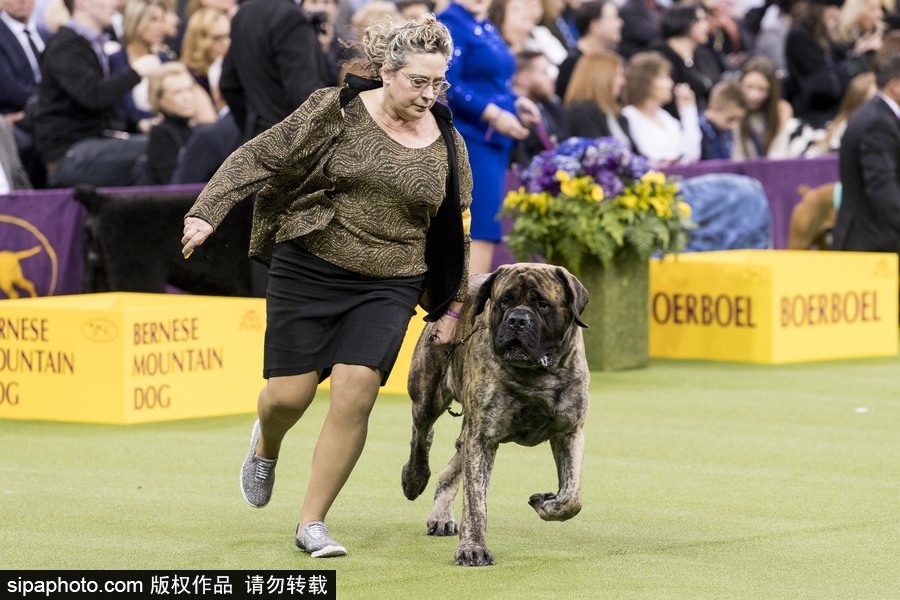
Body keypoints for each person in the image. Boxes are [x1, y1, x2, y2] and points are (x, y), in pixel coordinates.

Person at [179, 14, 473, 558]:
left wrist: (452, 308)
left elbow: (457, 229)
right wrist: (208, 212)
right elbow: (258, 155)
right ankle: (267, 443)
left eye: (440, 83)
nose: (430, 94)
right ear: (388, 72)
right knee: (289, 395)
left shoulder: (449, 142)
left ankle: (311, 523)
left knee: (356, 388)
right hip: (311, 264)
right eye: (419, 81)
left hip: (391, 279)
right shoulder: (333, 109)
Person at [439, 0, 540, 274]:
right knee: (479, 227)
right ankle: (463, 311)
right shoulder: (451, 22)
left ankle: (467, 310)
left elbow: (494, 83)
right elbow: (448, 81)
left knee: (485, 227)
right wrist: (493, 114)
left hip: (493, 143)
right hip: (472, 140)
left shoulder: (483, 25)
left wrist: (516, 102)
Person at [34, 0, 165, 187]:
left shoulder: (91, 43)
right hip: (68, 154)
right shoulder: (65, 46)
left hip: (93, 143)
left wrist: (139, 124)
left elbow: (103, 105)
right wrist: (136, 72)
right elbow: (93, 96)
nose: (114, 3)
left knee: (166, 138)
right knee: (161, 147)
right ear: (82, 3)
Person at [219, 0, 327, 141]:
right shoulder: (290, 16)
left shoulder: (243, 13)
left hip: (256, 140)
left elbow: (229, 83)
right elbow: (304, 94)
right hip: (291, 144)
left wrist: (252, 124)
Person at [831, 50, 900, 254]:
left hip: (875, 239)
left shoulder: (879, 115)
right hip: (871, 244)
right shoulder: (878, 123)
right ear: (896, 86)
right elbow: (881, 187)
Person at [784, 0, 880, 128]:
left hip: (829, 110)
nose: (837, 14)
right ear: (819, 8)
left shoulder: (824, 35)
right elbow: (827, 85)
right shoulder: (800, 35)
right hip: (813, 115)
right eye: (832, 7)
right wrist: (858, 58)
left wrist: (857, 54)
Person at [621, 50, 701, 165]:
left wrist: (688, 111)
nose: (671, 83)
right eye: (664, 77)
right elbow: (651, 157)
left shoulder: (665, 117)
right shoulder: (629, 116)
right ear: (645, 82)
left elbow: (692, 155)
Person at [562, 49, 636, 149]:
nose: (622, 82)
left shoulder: (617, 114)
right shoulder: (582, 112)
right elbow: (595, 155)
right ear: (600, 77)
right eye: (618, 75)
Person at [510, 49, 568, 167]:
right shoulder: (511, 114)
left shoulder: (553, 108)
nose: (552, 78)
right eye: (544, 73)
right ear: (523, 78)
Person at [554, 0, 623, 99]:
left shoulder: (613, 58)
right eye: (614, 18)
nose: (620, 23)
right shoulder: (573, 64)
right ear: (595, 26)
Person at [142, 61, 196, 183]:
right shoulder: (161, 135)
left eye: (189, 89)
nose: (187, 97)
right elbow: (171, 184)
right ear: (159, 99)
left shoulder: (192, 130)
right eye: (177, 92)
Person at [733, 55, 794, 159]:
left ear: (771, 92)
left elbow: (779, 155)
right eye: (749, 86)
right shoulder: (732, 110)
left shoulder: (780, 111)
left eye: (761, 89)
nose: (753, 95)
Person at [699, 78, 747, 160]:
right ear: (713, 109)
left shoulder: (726, 132)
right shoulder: (697, 131)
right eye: (730, 119)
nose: (733, 125)